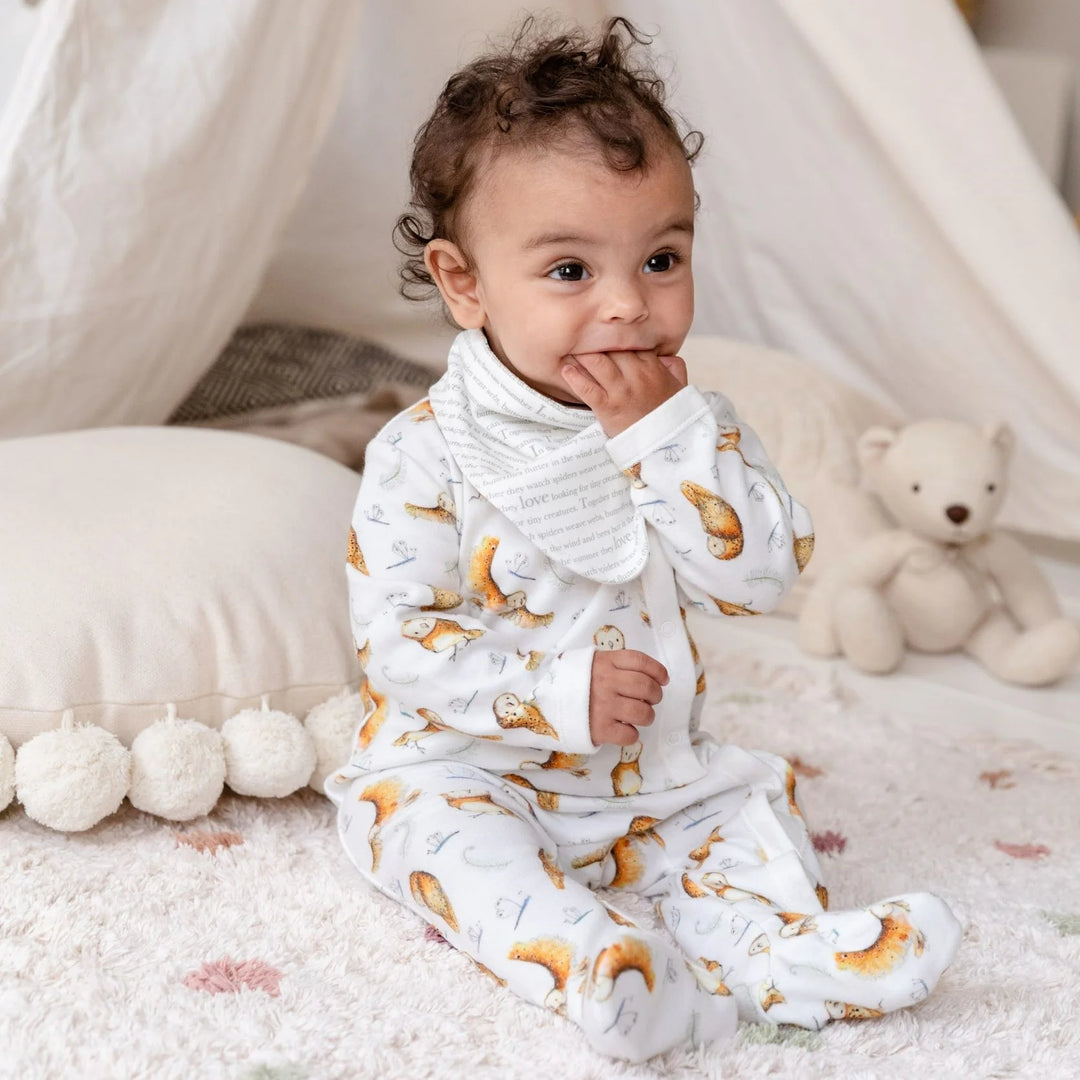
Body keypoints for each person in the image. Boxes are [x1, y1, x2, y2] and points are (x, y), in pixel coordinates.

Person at [327, 16, 961, 1063]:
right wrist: (554, 691)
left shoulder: (692, 429)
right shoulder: (424, 452)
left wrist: (664, 444)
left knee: (746, 813)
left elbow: (762, 580)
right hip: (472, 763)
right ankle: (601, 969)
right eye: (570, 271)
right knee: (429, 834)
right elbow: (397, 643)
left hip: (652, 776)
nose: (629, 305)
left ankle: (781, 959)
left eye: (661, 259)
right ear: (465, 283)